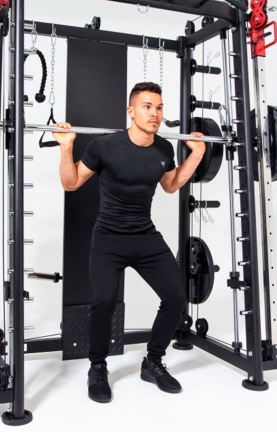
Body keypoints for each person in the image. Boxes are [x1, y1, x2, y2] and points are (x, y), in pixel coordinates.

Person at [53, 81, 206, 403]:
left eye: (159, 107)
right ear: (131, 111)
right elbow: (71, 183)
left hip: (145, 236)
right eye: (147, 107)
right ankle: (97, 367)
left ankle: (153, 361)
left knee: (176, 297)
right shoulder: (105, 146)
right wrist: (66, 148)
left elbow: (170, 185)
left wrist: (197, 154)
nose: (155, 114)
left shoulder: (164, 149)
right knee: (105, 300)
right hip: (108, 238)